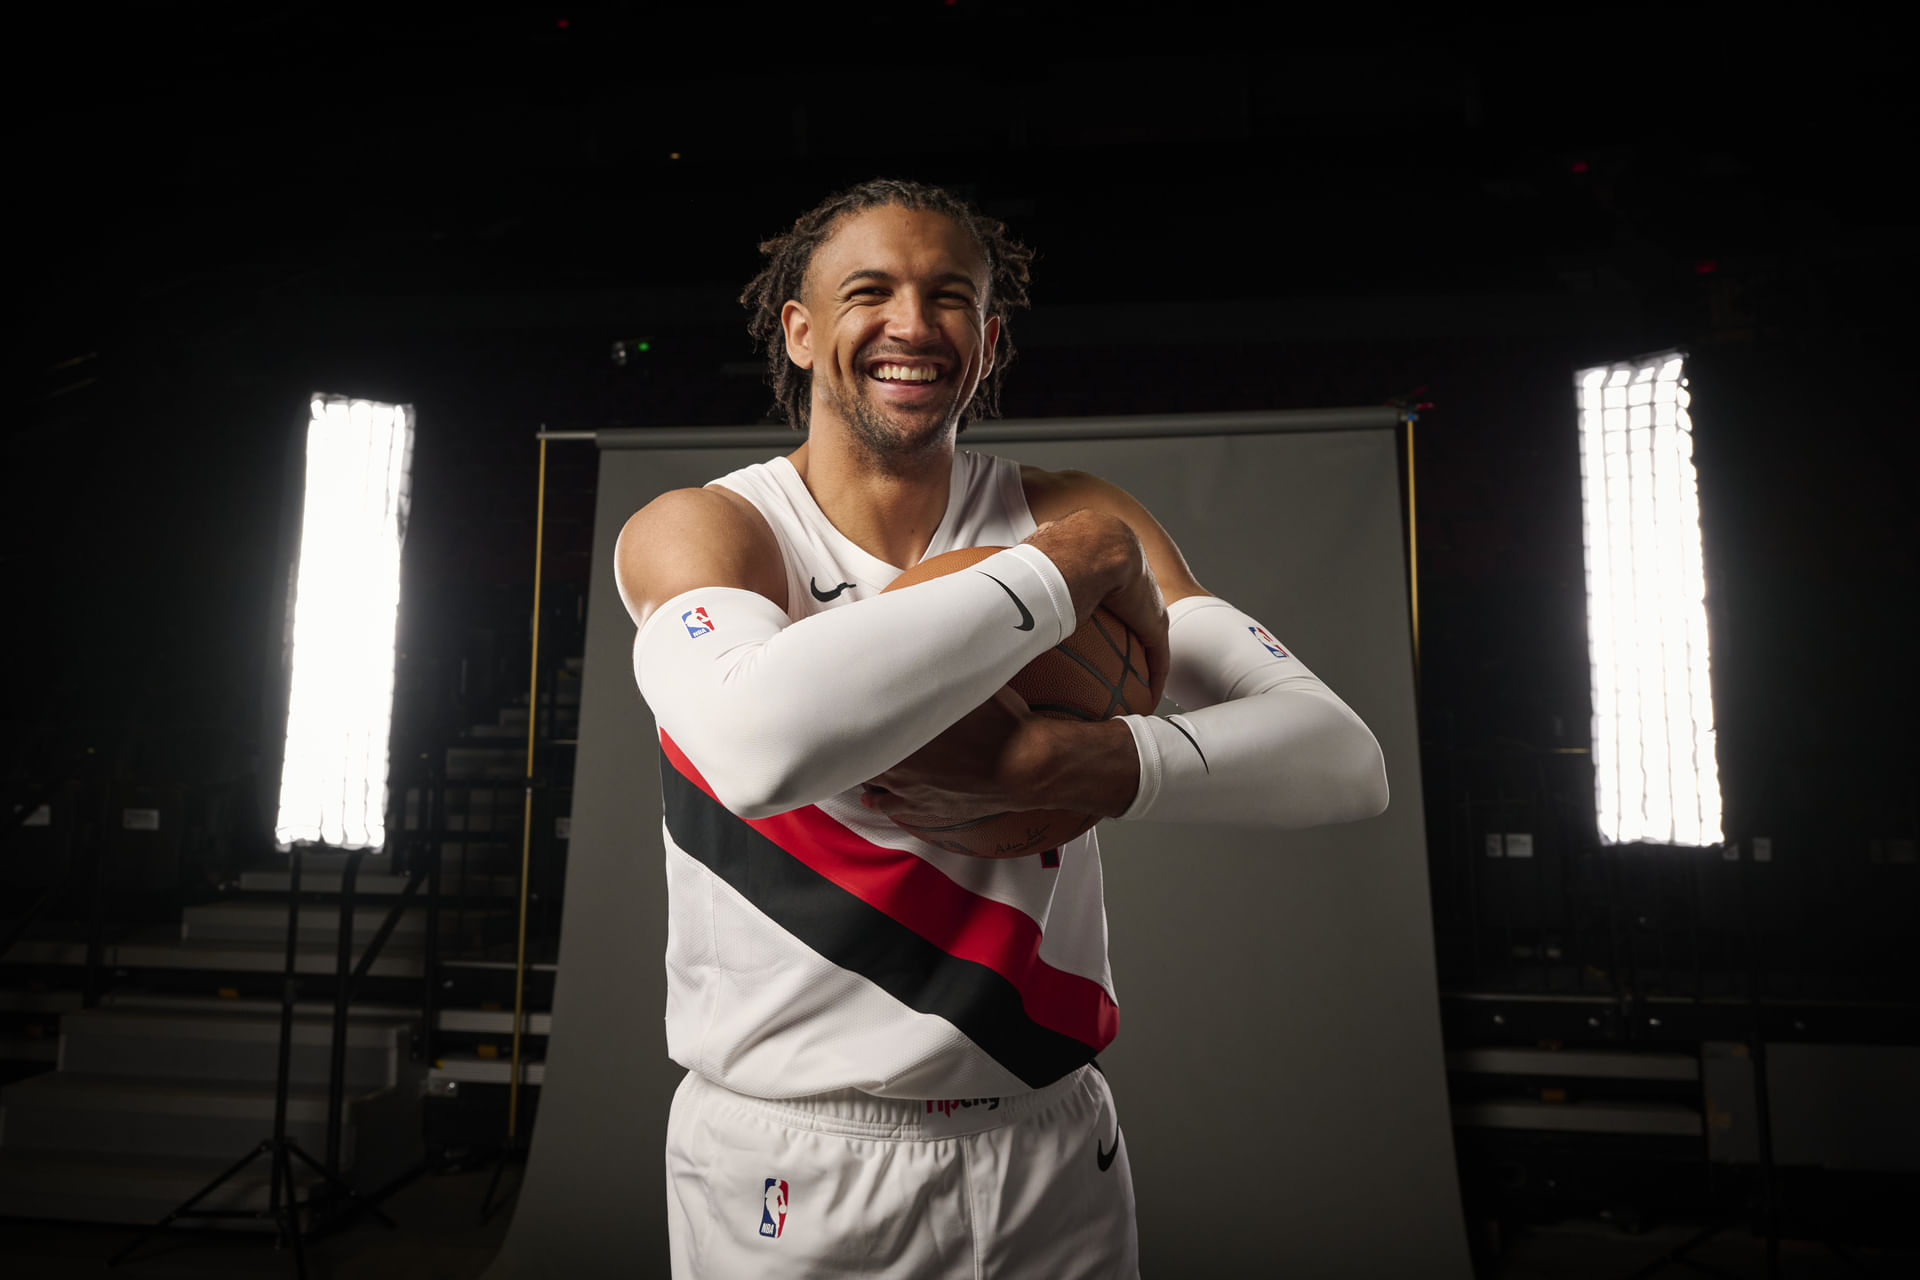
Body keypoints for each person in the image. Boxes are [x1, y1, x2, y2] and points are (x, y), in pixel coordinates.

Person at [614, 178, 1388, 1279]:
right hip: (794, 1149)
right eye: (869, 292)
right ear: (797, 329)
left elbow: (1344, 758)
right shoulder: (715, 530)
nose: (912, 326)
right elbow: (752, 745)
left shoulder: (1065, 502)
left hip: (1051, 1134)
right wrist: (1061, 571)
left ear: (989, 333)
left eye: (950, 297)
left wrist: (1110, 760)